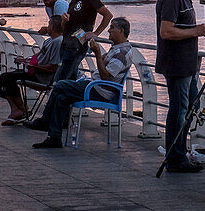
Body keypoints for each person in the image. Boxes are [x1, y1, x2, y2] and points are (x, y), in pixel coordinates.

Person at [32, 17, 133, 149]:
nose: (109, 30)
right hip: (95, 86)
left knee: (61, 84)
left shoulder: (122, 53)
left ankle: (45, 121)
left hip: (100, 91)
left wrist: (97, 54)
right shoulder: (116, 49)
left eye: (112, 27)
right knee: (62, 97)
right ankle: (54, 138)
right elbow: (105, 68)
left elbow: (105, 76)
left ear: (121, 30)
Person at [156, 0, 205, 172]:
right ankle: (175, 159)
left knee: (191, 108)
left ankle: (179, 152)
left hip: (187, 66)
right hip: (176, 65)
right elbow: (166, 31)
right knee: (178, 111)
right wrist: (196, 31)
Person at [0, 16, 63, 125]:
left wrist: (34, 67)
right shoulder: (49, 41)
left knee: (7, 78)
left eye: (49, 24)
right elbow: (39, 56)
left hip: (42, 77)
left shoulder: (58, 42)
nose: (47, 26)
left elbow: (54, 67)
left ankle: (20, 110)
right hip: (35, 72)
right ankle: (19, 109)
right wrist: (25, 60)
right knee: (5, 77)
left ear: (52, 26)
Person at [54, 0, 113, 83]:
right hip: (66, 45)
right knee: (68, 81)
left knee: (59, 81)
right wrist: (63, 21)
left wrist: (96, 33)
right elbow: (64, 28)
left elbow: (108, 15)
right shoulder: (72, 2)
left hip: (77, 47)